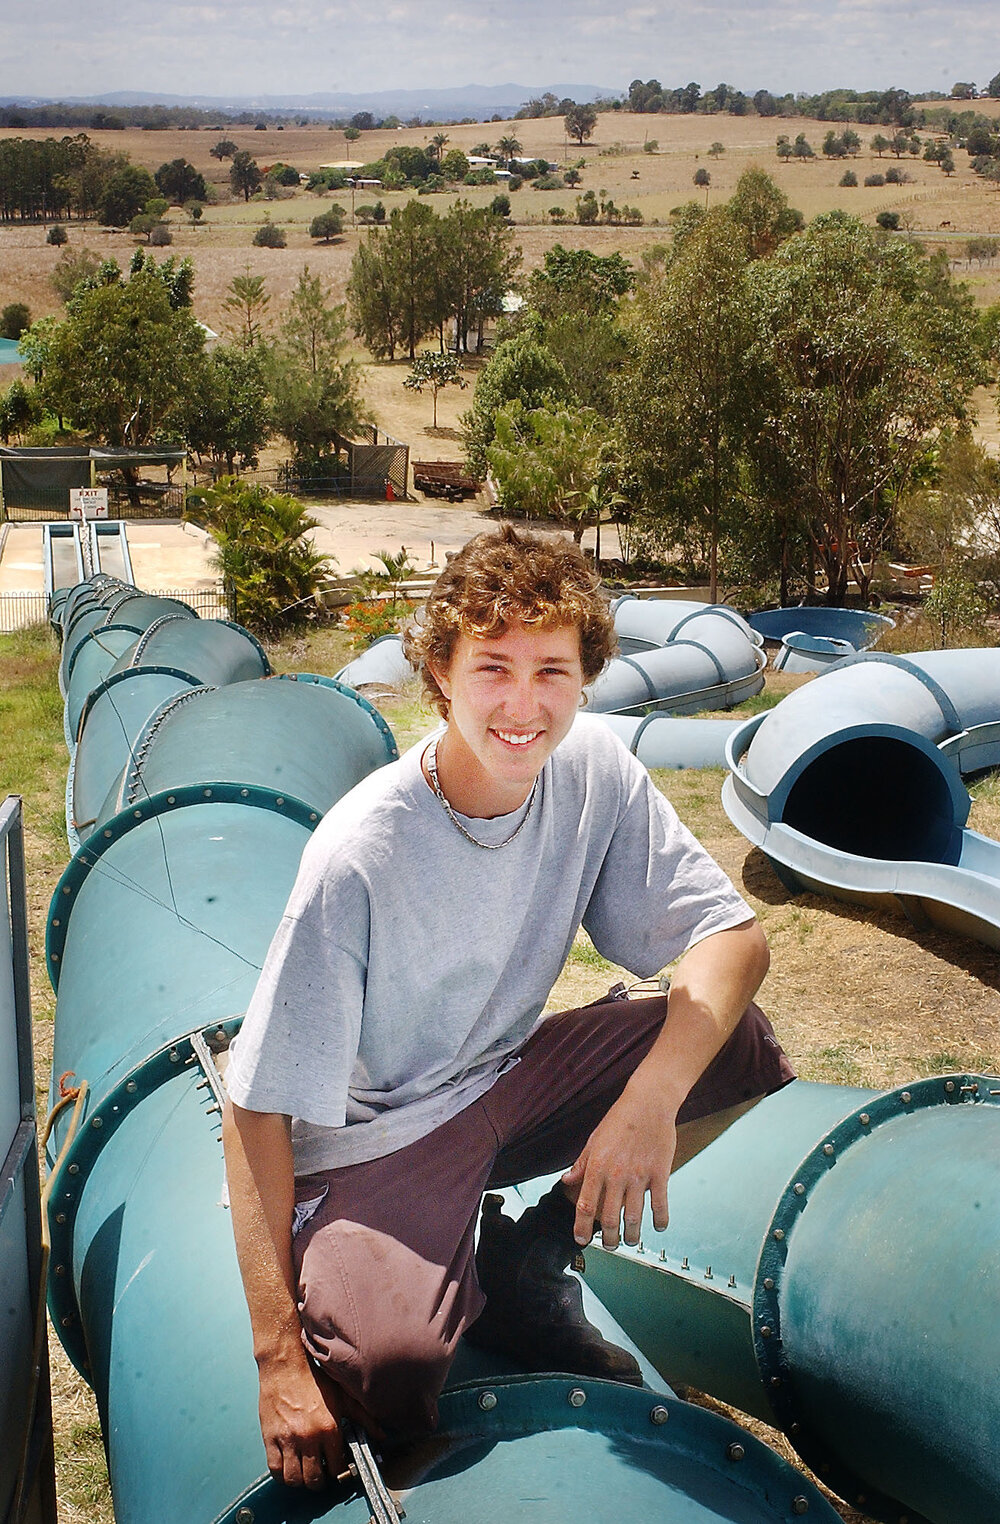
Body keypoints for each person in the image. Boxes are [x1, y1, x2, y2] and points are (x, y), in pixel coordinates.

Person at [222, 524, 793, 1491]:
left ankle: (530, 1265)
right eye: (493, 666)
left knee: (734, 1043)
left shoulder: (595, 773)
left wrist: (647, 1104)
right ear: (440, 675)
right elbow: (253, 1109)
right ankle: (423, 1256)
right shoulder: (362, 852)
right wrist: (278, 1357)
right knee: (388, 1373)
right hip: (378, 1136)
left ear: (587, 678)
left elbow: (736, 941)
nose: (523, 705)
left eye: (552, 671)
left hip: (504, 1078)